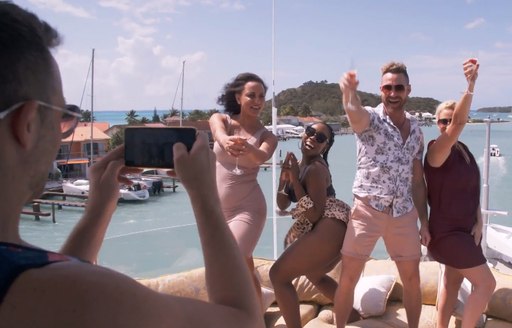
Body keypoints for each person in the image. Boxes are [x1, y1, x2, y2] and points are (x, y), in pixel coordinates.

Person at [0, 3, 264, 327]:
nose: (64, 129)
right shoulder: (81, 296)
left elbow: (62, 273)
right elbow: (241, 320)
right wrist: (205, 196)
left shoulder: (46, 288)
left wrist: (99, 208)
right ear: (26, 124)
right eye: (62, 117)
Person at [335, 62, 431, 328]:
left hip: (403, 213)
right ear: (380, 90)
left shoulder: (416, 130)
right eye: (388, 87)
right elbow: (354, 114)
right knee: (348, 278)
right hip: (368, 210)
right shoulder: (371, 119)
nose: (393, 92)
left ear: (408, 90)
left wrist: (424, 221)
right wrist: (348, 93)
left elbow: (417, 179)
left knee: (412, 280)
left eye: (399, 87)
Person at [424, 59, 496, 328]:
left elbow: (473, 190)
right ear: (437, 123)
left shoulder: (463, 151)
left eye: (450, 120)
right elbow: (460, 121)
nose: (448, 124)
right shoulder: (436, 150)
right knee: (486, 284)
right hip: (447, 234)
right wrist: (471, 85)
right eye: (444, 120)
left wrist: (478, 221)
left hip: (466, 231)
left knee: (451, 284)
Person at [269, 122, 351, 328]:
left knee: (277, 275)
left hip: (331, 222)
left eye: (321, 138)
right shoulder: (300, 164)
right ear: (303, 134)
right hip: (326, 224)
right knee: (315, 275)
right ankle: (356, 317)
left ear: (325, 147)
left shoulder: (315, 168)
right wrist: (285, 176)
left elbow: (315, 214)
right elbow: (282, 203)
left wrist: (295, 179)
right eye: (311, 132)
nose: (313, 138)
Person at [209, 72, 278, 308]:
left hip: (248, 209)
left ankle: (230, 316)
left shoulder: (267, 135)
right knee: (246, 265)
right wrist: (225, 140)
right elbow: (216, 130)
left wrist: (247, 147)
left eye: (261, 96)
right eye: (251, 95)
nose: (257, 101)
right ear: (238, 97)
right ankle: (257, 312)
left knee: (231, 261)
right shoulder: (222, 121)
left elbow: (261, 157)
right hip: (219, 212)